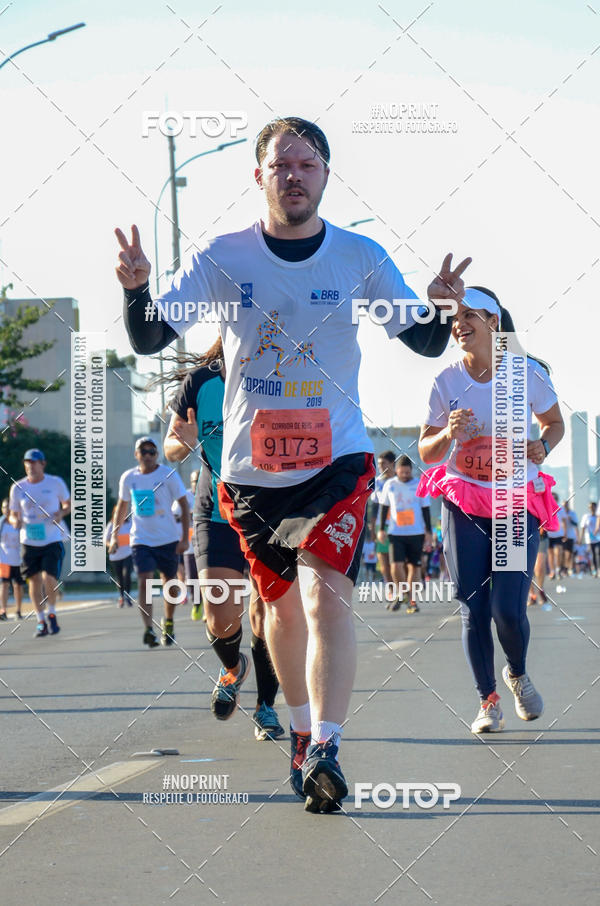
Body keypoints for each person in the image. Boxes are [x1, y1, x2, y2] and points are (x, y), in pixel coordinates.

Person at [116, 115, 470, 812]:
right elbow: (151, 334)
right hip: (251, 474)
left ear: (326, 175)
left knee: (324, 595)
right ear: (259, 176)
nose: (295, 176)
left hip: (336, 462)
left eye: (307, 164)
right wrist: (135, 288)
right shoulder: (225, 256)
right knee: (278, 610)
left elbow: (425, 341)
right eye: (281, 165)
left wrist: (442, 307)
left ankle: (329, 743)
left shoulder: (359, 257)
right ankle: (303, 738)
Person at [417, 286, 564, 733]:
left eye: (470, 316)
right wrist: (448, 436)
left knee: (507, 608)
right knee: (472, 604)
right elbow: (425, 450)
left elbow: (554, 424)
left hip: (515, 503)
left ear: (493, 323)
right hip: (464, 500)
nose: (459, 324)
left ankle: (516, 673)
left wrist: (543, 445)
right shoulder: (445, 382)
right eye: (455, 318)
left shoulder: (526, 375)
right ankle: (488, 700)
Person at [163, 343, 284, 741]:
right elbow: (170, 446)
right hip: (215, 509)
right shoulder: (199, 383)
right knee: (219, 614)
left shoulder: (281, 375)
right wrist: (188, 440)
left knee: (264, 615)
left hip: (271, 511)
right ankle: (233, 668)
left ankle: (266, 707)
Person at [109, 437, 189, 647]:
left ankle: (168, 621)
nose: (147, 455)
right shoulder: (128, 478)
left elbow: (183, 505)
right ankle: (149, 629)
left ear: (157, 455)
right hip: (141, 539)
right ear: (136, 455)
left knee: (169, 583)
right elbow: (121, 508)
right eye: (143, 451)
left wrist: (184, 539)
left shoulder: (168, 475)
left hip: (168, 539)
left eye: (151, 452)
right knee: (144, 581)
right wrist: (113, 536)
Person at [8, 449, 70, 637]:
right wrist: (14, 522)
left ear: (43, 464)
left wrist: (60, 513)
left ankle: (52, 612)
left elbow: (68, 504)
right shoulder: (17, 487)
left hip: (51, 539)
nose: (30, 466)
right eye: (27, 462)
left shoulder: (55, 482)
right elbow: (12, 514)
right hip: (29, 541)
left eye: (34, 462)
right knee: (33, 582)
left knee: (48, 579)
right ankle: (40, 620)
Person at [378, 454, 432, 613]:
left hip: (416, 532)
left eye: (407, 473)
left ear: (411, 471)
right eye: (402, 473)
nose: (405, 476)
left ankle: (411, 599)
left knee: (414, 567)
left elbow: (426, 509)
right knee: (395, 566)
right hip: (396, 532)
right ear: (396, 471)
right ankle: (402, 594)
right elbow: (384, 508)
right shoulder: (390, 485)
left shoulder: (419, 484)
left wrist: (428, 532)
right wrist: (381, 529)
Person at [369, 451, 396, 599]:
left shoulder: (401, 480)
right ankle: (391, 589)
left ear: (392, 463)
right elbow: (374, 508)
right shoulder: (378, 482)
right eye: (378, 464)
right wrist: (373, 529)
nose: (380, 467)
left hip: (400, 526)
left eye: (383, 463)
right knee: (384, 560)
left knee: (397, 561)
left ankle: (402, 588)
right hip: (382, 526)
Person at [104, 506, 133, 607]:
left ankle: (127, 597)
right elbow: (105, 540)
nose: (121, 514)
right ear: (115, 514)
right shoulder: (111, 525)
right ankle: (121, 597)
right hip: (116, 556)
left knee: (127, 575)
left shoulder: (130, 523)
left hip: (128, 554)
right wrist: (111, 545)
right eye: (119, 513)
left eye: (123, 512)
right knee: (120, 578)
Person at [0, 498, 24, 619]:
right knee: (4, 585)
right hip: (4, 560)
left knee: (18, 585)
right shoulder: (1, 523)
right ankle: (3, 611)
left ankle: (18, 610)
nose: (6, 510)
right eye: (4, 507)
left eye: (8, 507)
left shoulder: (19, 522)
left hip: (18, 560)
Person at [546, 493, 566, 580]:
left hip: (558, 533)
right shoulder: (546, 506)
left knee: (558, 553)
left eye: (554, 498)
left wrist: (565, 533)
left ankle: (558, 570)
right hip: (549, 534)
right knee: (550, 554)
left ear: (557, 499)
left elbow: (564, 521)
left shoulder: (560, 508)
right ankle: (552, 571)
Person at [581, 501, 600, 576]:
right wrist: (580, 538)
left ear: (596, 507)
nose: (591, 508)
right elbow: (582, 528)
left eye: (593, 506)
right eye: (590, 507)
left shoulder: (598, 516)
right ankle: (594, 569)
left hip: (598, 538)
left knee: (598, 553)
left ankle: (598, 569)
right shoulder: (586, 516)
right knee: (592, 554)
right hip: (589, 539)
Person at [562, 500, 578, 576]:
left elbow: (576, 524)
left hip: (570, 536)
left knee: (569, 554)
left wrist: (570, 519)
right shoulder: (560, 512)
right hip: (562, 535)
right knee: (563, 553)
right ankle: (564, 568)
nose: (565, 506)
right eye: (563, 505)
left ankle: (568, 568)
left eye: (566, 505)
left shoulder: (572, 513)